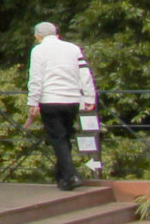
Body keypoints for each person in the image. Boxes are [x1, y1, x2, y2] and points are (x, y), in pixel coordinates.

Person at [26, 20, 98, 191]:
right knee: (65, 138)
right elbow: (85, 74)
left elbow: (36, 78)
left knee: (58, 139)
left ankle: (71, 176)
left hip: (50, 100)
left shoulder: (38, 50)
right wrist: (89, 97)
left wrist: (33, 102)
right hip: (72, 100)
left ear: (38, 36)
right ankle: (62, 178)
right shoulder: (73, 48)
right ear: (56, 33)